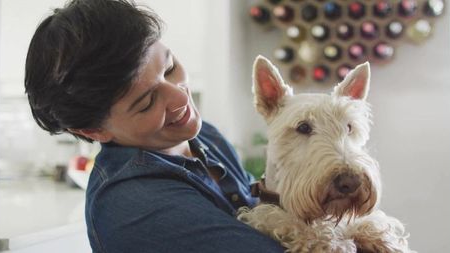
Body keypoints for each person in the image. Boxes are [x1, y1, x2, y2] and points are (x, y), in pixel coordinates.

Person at [24, 0, 285, 252]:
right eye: (147, 102)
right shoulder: (135, 207)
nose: (181, 98)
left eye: (169, 68)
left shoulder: (203, 136)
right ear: (93, 130)